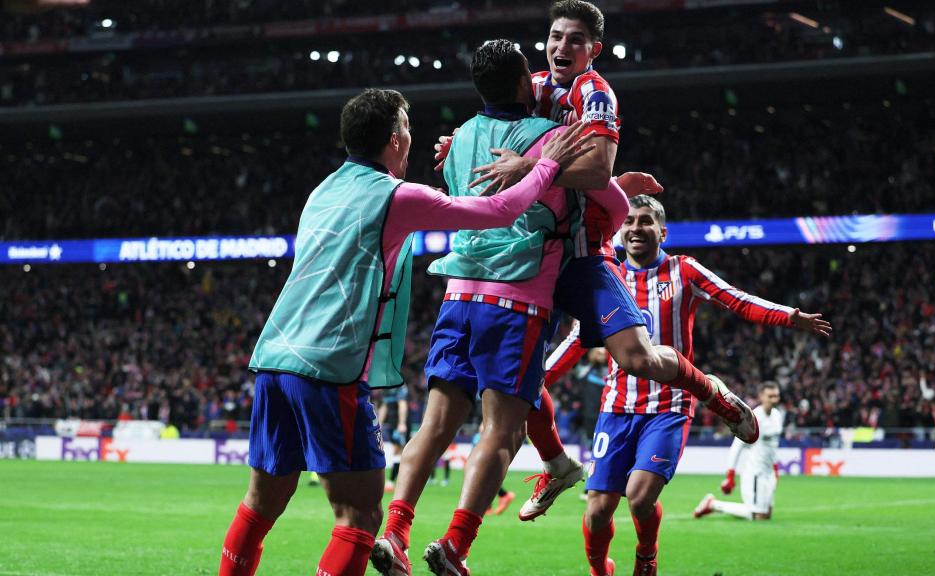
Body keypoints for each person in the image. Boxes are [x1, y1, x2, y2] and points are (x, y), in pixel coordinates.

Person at [217, 87, 591, 576]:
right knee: (362, 515)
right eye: (408, 130)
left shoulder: (323, 189)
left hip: (273, 358)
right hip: (329, 369)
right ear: (395, 140)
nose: (411, 140)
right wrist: (544, 166)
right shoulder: (398, 195)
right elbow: (499, 212)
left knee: (260, 503)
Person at [455, 0, 761, 523]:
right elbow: (491, 125)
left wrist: (533, 165)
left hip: (585, 252)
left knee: (636, 358)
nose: (561, 48)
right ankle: (552, 469)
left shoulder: (594, 91)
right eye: (555, 36)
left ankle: (712, 391)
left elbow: (597, 168)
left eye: (575, 40)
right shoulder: (531, 86)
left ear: (594, 49)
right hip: (531, 255)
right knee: (520, 383)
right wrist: (455, 145)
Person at [371, 39, 609, 576]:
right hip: (518, 297)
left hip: (459, 293)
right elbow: (593, 184)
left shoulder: (456, 144)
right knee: (501, 430)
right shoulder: (548, 138)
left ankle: (395, 532)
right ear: (527, 79)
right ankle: (454, 546)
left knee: (434, 425)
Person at [545, 195, 831, 576]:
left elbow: (737, 300)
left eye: (645, 221)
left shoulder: (685, 271)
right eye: (628, 222)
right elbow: (580, 338)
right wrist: (536, 378)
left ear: (662, 232)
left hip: (670, 406)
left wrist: (789, 316)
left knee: (639, 498)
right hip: (616, 407)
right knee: (597, 510)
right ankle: (600, 569)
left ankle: (647, 556)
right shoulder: (606, 275)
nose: (635, 229)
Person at [694, 382, 786, 522]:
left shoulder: (777, 415)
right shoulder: (754, 418)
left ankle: (714, 504)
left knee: (767, 514)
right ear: (761, 396)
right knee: (757, 516)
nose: (774, 399)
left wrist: (775, 469)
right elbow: (737, 446)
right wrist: (730, 474)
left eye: (776, 396)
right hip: (756, 471)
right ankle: (713, 504)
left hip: (769, 472)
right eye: (770, 396)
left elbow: (773, 446)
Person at [376, 386, 409, 493]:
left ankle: (391, 481)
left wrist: (402, 423)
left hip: (399, 423)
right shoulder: (386, 389)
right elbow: (384, 406)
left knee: (399, 451)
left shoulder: (400, 387)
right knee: (398, 451)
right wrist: (378, 424)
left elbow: (402, 405)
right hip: (392, 423)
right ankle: (398, 481)